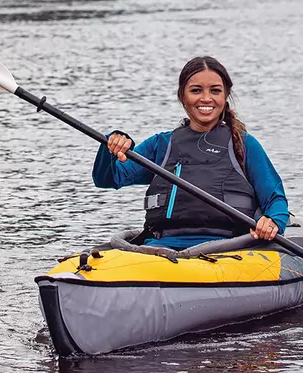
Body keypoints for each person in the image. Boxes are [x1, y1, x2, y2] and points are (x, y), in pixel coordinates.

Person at [93, 55, 290, 249]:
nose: (206, 98)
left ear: (225, 96)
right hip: (161, 247)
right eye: (196, 90)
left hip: (230, 248)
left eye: (215, 91)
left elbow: (275, 200)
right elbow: (108, 179)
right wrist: (111, 145)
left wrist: (272, 221)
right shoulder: (161, 145)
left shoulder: (245, 144)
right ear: (182, 96)